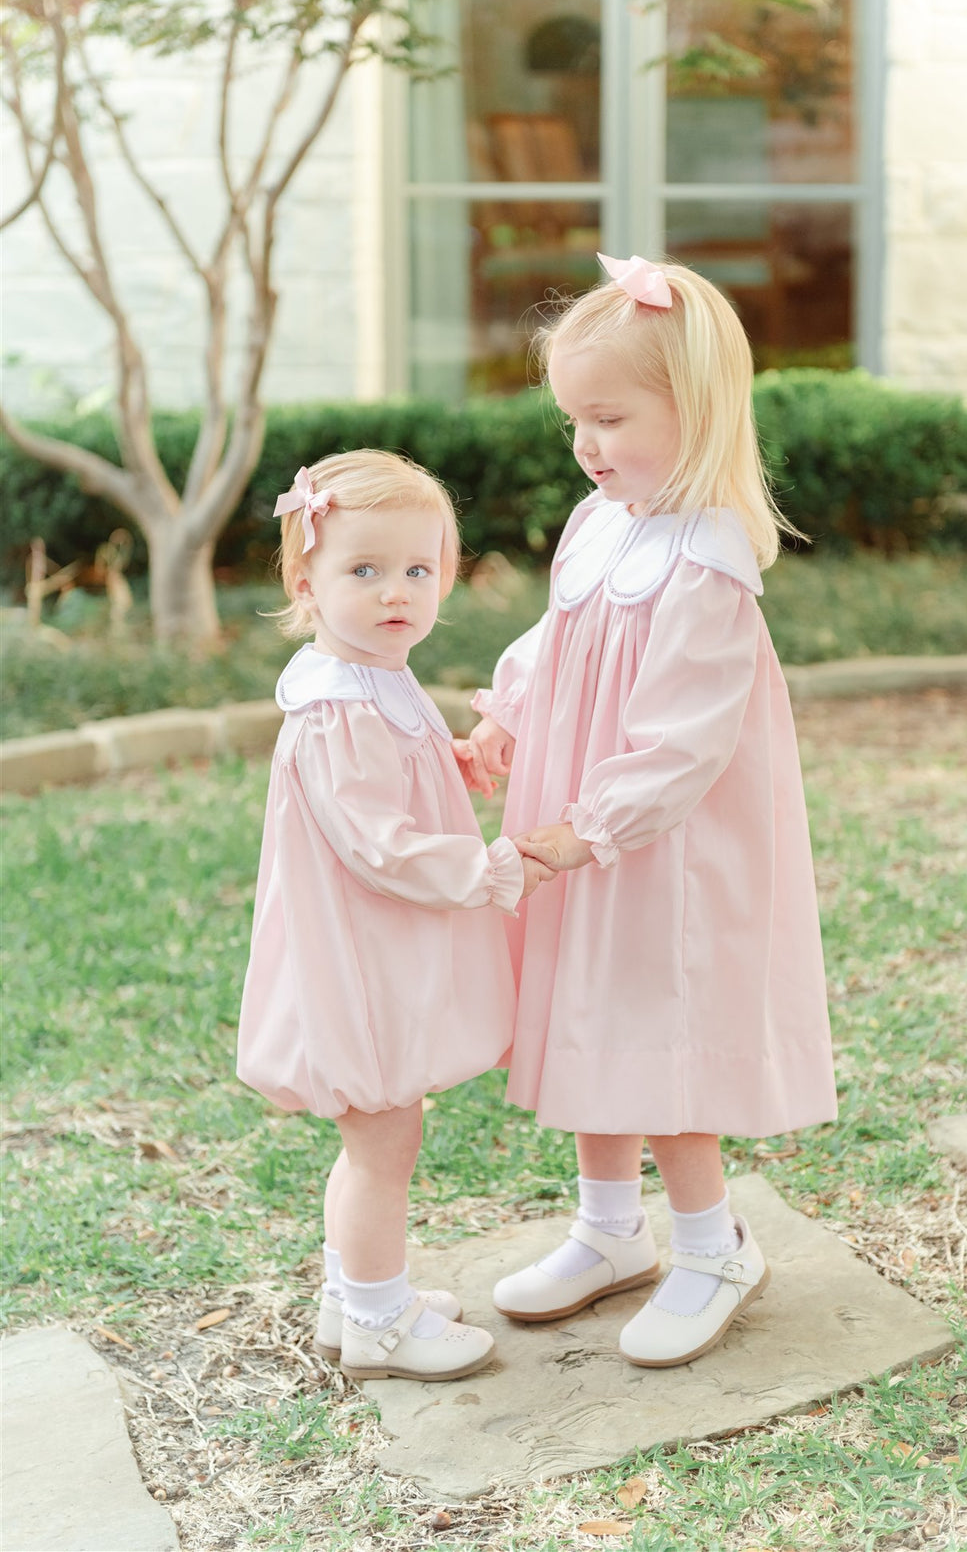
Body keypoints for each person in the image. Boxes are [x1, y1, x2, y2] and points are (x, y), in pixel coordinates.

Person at [463, 254, 837, 1369]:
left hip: (657, 845)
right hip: (582, 820)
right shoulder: (599, 522)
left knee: (655, 1029)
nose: (586, 442)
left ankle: (713, 1244)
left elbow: (683, 738)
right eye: (575, 417)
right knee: (585, 1010)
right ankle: (608, 1227)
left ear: (697, 410)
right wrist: (506, 717)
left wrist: (595, 825)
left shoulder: (708, 567)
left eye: (611, 417)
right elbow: (557, 642)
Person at [237, 450, 553, 1383]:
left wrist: (442, 759)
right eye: (363, 571)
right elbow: (378, 841)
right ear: (308, 581)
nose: (395, 593)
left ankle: (355, 1297)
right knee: (383, 1140)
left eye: (419, 569)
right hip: (360, 956)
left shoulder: (377, 672)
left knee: (382, 1133)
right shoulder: (336, 708)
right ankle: (378, 1319)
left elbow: (391, 779)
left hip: (374, 946)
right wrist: (488, 865)